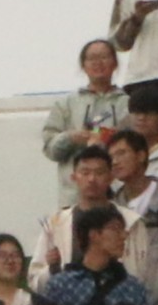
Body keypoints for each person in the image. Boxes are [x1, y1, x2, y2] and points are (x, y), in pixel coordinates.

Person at [42, 38, 131, 196]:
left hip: (119, 194)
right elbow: (50, 150)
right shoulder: (66, 103)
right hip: (74, 196)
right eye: (92, 58)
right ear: (83, 65)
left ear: (115, 63)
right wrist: (70, 138)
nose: (98, 63)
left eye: (104, 57)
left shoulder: (128, 103)